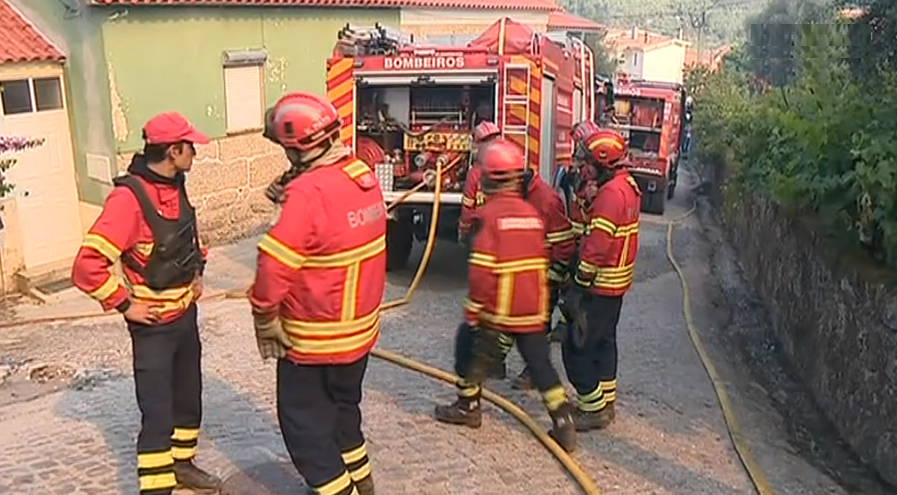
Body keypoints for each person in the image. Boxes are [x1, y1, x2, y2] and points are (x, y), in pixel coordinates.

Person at [71, 112, 220, 494]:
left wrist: (198, 274)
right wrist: (125, 305)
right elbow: (86, 267)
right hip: (153, 328)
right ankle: (156, 487)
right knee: (157, 414)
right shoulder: (128, 201)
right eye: (190, 147)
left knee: (188, 400)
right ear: (173, 151)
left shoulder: (176, 183)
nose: (195, 153)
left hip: (185, 316)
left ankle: (182, 465)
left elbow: (188, 237)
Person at [249, 91, 386, 495]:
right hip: (359, 336)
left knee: (305, 428)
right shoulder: (360, 175)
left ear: (296, 148)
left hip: (314, 340)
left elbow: (273, 263)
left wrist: (264, 317)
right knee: (344, 414)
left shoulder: (308, 195)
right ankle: (362, 480)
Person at [433, 139, 577, 453]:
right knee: (540, 365)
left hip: (499, 308)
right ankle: (563, 422)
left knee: (467, 350)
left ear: (488, 178)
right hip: (532, 309)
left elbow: (482, 273)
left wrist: (474, 313)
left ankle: (468, 407)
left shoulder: (489, 217)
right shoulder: (531, 213)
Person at [561, 128, 641, 431]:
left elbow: (596, 246)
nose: (583, 169)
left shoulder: (610, 195)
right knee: (605, 342)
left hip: (599, 285)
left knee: (576, 347)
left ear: (603, 162)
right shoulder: (627, 186)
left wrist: (579, 283)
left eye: (588, 164)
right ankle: (605, 401)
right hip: (615, 287)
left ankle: (593, 409)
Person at [497, 166, 576, 390]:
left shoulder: (547, 201)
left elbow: (564, 245)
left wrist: (552, 278)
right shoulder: (516, 196)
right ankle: (495, 360)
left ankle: (534, 372)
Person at [458, 120, 502, 245]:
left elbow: (467, 209)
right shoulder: (507, 169)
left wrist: (463, 232)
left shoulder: (475, 173)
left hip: (482, 231)